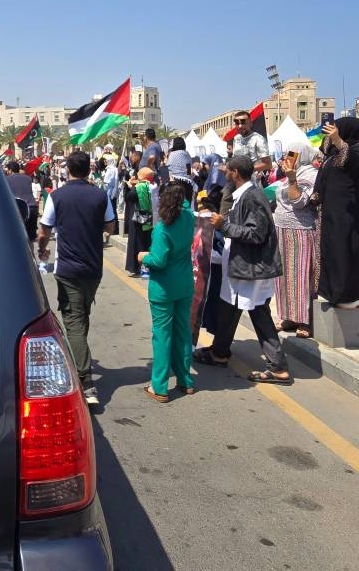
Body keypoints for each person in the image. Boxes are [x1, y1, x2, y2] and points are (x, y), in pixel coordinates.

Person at [193, 156, 291, 385]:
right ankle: (220, 352)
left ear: (235, 173)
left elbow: (256, 234)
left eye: (227, 170)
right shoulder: (242, 194)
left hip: (251, 268)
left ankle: (278, 367)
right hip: (240, 267)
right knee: (228, 308)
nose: (224, 172)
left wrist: (224, 225)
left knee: (258, 312)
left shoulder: (252, 196)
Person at [37, 151, 117, 403]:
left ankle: (86, 380)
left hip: (68, 269)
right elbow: (110, 226)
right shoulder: (100, 195)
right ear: (88, 170)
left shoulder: (56, 196)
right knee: (81, 317)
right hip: (93, 269)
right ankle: (80, 360)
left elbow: (44, 231)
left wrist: (42, 249)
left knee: (73, 321)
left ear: (67, 170)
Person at [138, 184, 196, 402]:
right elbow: (186, 204)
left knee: (162, 335)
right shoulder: (188, 217)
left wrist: (143, 257)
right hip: (184, 284)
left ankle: (160, 386)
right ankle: (185, 380)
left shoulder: (163, 228)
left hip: (163, 288)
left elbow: (158, 260)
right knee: (182, 332)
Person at [311, 117, 359, 308]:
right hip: (332, 210)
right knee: (332, 250)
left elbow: (350, 162)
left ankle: (348, 296)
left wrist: (338, 140)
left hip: (348, 210)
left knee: (345, 251)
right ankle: (333, 292)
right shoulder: (332, 154)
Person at [273, 143, 319, 339]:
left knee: (301, 276)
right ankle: (288, 316)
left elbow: (298, 201)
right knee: (283, 277)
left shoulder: (310, 174)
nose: (287, 158)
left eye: (292, 154)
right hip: (282, 229)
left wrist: (292, 178)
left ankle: (304, 320)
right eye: (286, 154)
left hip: (300, 231)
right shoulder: (289, 173)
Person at [220, 110, 272, 215]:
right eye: (237, 122)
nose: (240, 126)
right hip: (235, 184)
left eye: (243, 122)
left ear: (250, 123)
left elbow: (268, 164)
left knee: (250, 216)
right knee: (228, 214)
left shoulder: (258, 139)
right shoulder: (236, 138)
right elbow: (235, 160)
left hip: (251, 185)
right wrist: (228, 167)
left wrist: (245, 168)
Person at [124, 167, 156, 275]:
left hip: (139, 218)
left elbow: (129, 197)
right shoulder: (153, 185)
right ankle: (146, 269)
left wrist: (129, 186)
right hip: (150, 217)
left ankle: (137, 268)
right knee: (147, 242)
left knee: (137, 242)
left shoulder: (140, 187)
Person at [5, 161, 39, 246]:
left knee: (16, 238)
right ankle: (31, 254)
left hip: (19, 208)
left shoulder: (6, 180)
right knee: (30, 239)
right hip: (32, 207)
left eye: (7, 170)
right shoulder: (28, 178)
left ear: (10, 170)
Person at [103, 156, 120, 245]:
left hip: (111, 192)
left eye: (107, 160)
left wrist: (114, 192)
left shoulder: (113, 169)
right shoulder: (109, 169)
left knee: (112, 209)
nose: (105, 162)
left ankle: (115, 228)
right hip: (108, 191)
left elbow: (114, 182)